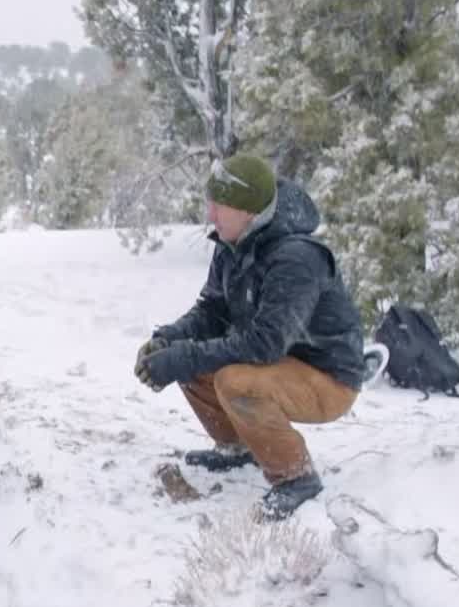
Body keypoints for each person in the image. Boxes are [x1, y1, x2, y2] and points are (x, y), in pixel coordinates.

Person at [136, 154, 368, 521]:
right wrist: (169, 339)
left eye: (219, 207)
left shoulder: (296, 258)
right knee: (191, 358)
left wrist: (185, 356)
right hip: (279, 365)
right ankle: (236, 447)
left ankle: (296, 478)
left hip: (328, 379)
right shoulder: (232, 243)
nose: (210, 215)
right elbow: (212, 310)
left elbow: (265, 344)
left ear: (248, 211)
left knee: (234, 380)